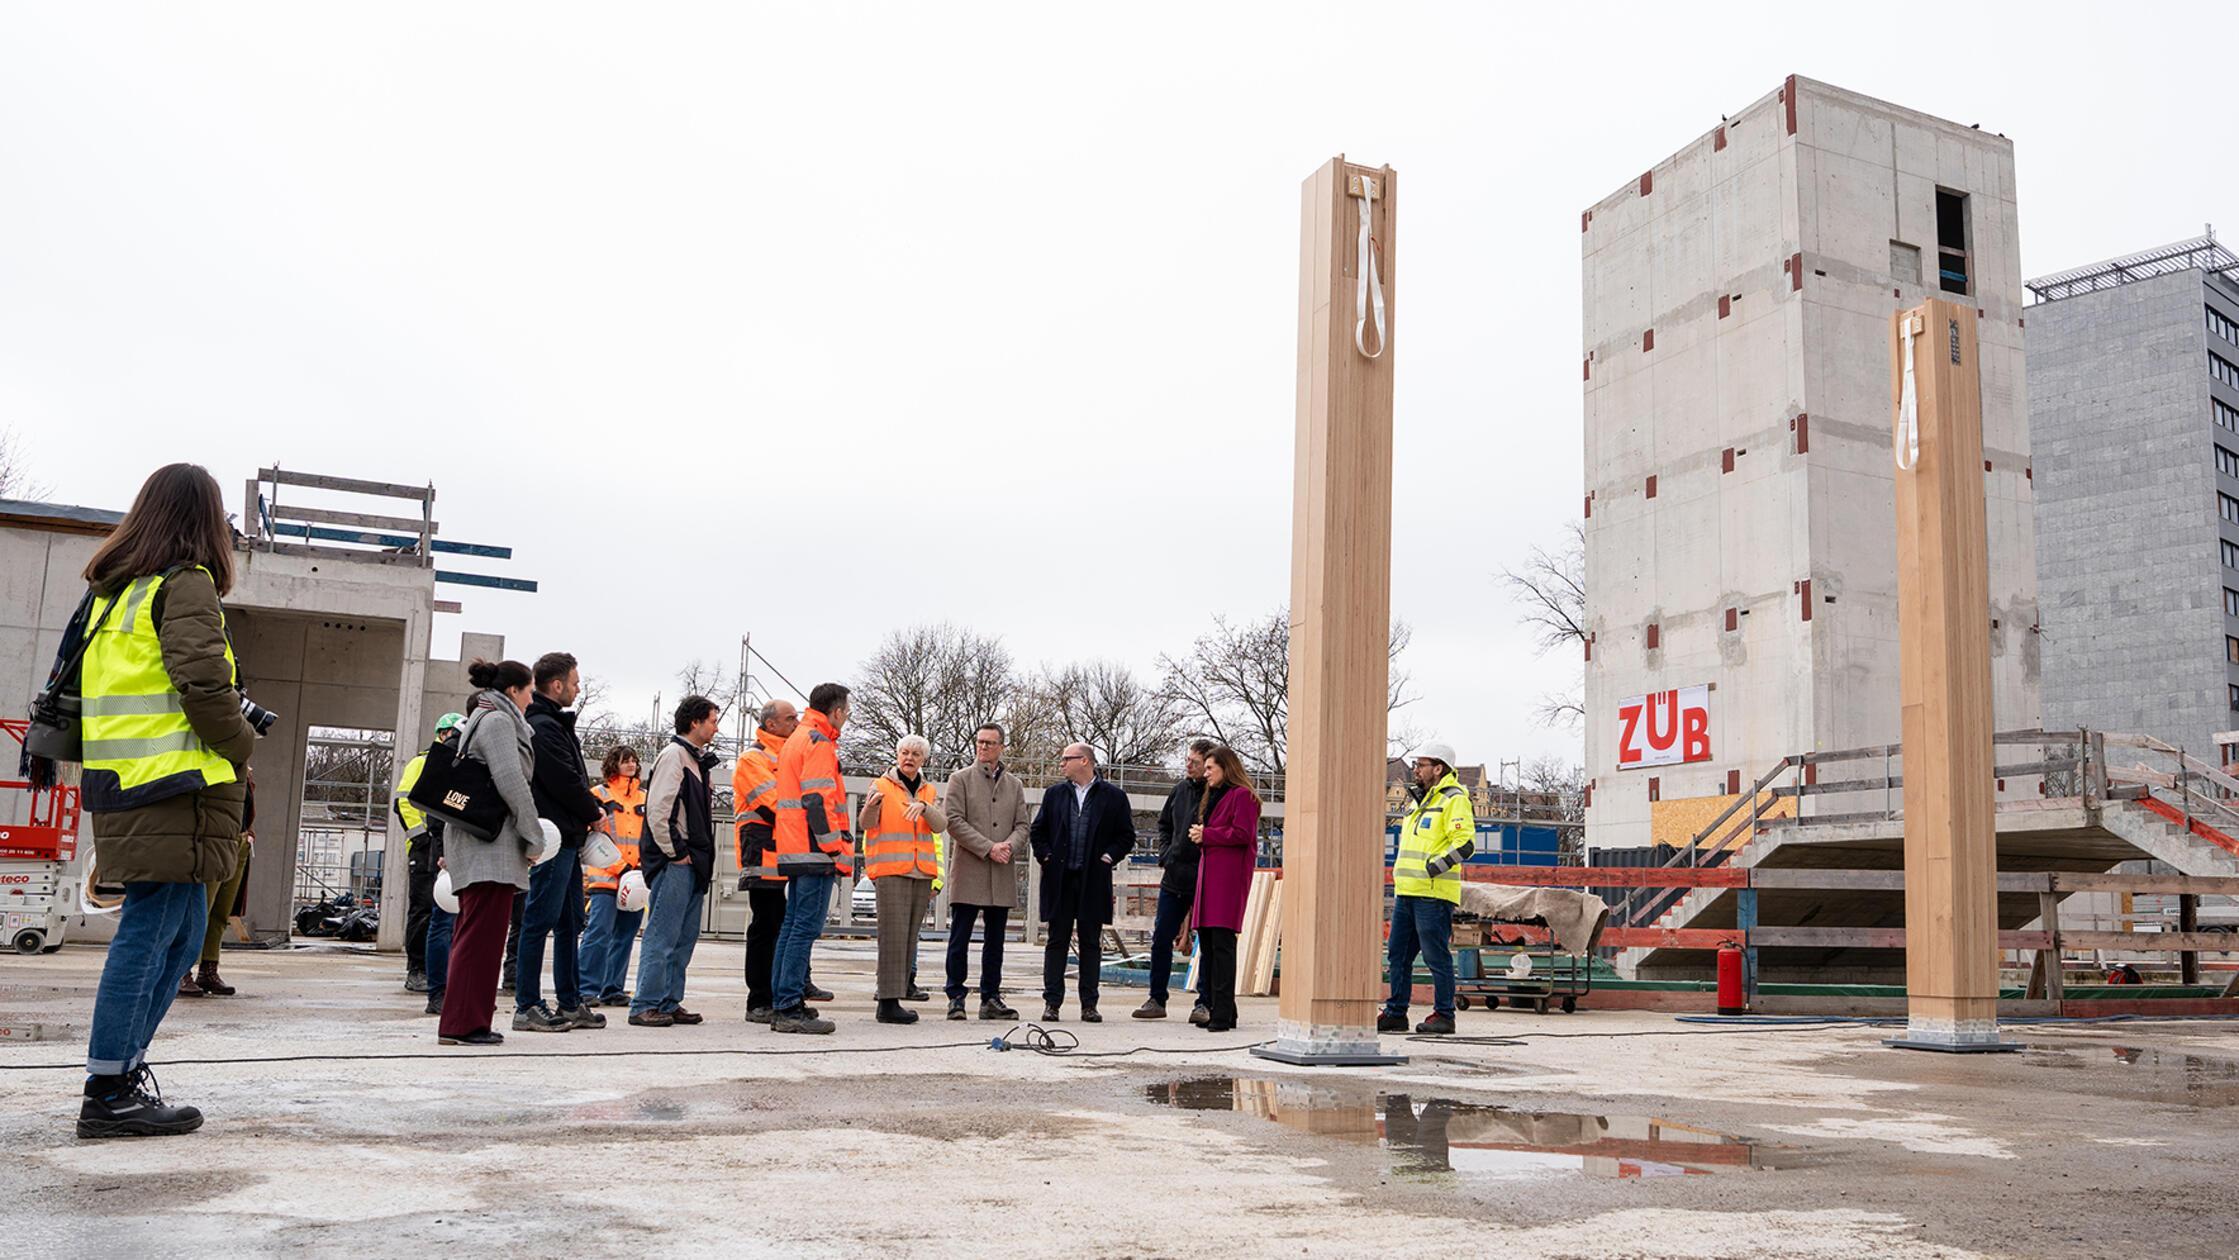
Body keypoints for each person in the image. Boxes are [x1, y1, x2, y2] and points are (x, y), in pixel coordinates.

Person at [72, 464, 260, 1138]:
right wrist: (241, 742)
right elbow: (204, 688)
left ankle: (122, 1077)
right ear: (206, 520)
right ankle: (108, 1088)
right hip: (176, 786)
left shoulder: (113, 592)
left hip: (132, 780)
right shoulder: (186, 584)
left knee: (177, 936)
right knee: (153, 934)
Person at [436, 659, 544, 1047]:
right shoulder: (498, 721)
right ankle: (463, 1024)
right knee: (480, 940)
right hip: (489, 848)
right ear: (514, 691)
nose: (532, 700)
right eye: (530, 692)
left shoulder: (485, 717)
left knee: (479, 938)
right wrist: (534, 835)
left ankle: (469, 1020)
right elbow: (510, 780)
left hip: (481, 846)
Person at [512, 651, 609, 1034]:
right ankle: (527, 1005)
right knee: (539, 919)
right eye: (575, 682)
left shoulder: (555, 723)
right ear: (557, 685)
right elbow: (564, 781)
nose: (578, 687)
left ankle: (570, 1002)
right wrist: (593, 812)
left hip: (568, 836)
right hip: (553, 838)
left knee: (570, 921)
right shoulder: (543, 725)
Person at [768, 683, 856, 1035]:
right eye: (846, 711)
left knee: (791, 929)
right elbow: (818, 801)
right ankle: (788, 1006)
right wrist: (834, 848)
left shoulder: (798, 738)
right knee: (803, 929)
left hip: (794, 847)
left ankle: (783, 1002)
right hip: (814, 851)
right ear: (835, 712)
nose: (847, 717)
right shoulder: (818, 742)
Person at [734, 699, 828, 1021]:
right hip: (764, 850)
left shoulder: (790, 754)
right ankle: (759, 999)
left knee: (787, 922)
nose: (796, 723)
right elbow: (774, 803)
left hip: (789, 849)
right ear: (770, 724)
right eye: (790, 719)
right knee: (767, 924)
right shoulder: (753, 759)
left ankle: (787, 992)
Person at [1028, 742, 1135, 1023]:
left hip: (1093, 880)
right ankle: (1052, 1003)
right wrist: (1047, 857)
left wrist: (1108, 857)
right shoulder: (1055, 795)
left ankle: (1089, 1004)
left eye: (1067, 759)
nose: (1061, 764)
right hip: (1060, 880)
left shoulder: (1113, 797)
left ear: (1085, 761)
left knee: (1090, 942)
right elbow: (1038, 831)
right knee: (1056, 941)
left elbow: (1126, 835)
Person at [630, 697, 721, 1027]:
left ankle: (668, 1000)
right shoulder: (674, 757)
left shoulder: (696, 762)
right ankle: (645, 1003)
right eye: (712, 720)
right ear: (695, 722)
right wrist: (675, 852)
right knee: (663, 936)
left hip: (693, 862)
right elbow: (658, 810)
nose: (716, 726)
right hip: (677, 863)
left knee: (683, 938)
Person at [1379, 742, 1476, 1037]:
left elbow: (1465, 844)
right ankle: (1396, 1013)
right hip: (1408, 891)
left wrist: (1433, 867)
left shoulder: (1454, 799)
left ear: (1438, 768)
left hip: (1433, 894)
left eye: (1421, 765)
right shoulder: (1417, 802)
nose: (1415, 770)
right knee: (1398, 955)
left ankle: (1444, 1015)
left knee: (1436, 957)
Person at [941, 721, 1027, 1021]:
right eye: (979, 742)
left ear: (1001, 746)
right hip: (970, 870)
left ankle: (991, 997)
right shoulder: (960, 779)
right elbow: (953, 820)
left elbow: (1022, 825)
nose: (983, 747)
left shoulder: (1014, 785)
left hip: (1001, 873)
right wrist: (988, 847)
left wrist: (1008, 846)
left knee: (995, 940)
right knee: (960, 937)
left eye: (989, 743)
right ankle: (956, 996)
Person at [859, 734, 947, 1025]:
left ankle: (898, 995)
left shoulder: (929, 790)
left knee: (909, 937)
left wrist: (925, 807)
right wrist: (871, 806)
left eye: (916, 754)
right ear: (897, 755)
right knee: (892, 936)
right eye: (905, 753)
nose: (909, 758)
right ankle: (887, 1001)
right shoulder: (881, 786)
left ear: (924, 760)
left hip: (920, 871)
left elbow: (940, 826)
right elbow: (867, 824)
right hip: (892, 870)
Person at [1136, 738, 1216, 1022]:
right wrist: (1165, 854)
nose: (1188, 766)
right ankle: (1156, 998)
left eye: (1194, 763)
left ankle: (1204, 1003)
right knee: (1161, 937)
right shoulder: (1179, 790)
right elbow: (1164, 824)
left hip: (1205, 877)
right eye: (1188, 761)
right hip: (1175, 875)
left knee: (1206, 941)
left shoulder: (1217, 792)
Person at [1188, 745, 1262, 1033]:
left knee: (1222, 946)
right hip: (1210, 881)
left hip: (1227, 882)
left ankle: (1221, 1013)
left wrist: (1207, 834)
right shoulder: (1216, 797)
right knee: (1209, 945)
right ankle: (1225, 1010)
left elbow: (1242, 834)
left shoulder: (1242, 796)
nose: (1205, 774)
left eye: (1210, 768)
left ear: (1226, 768)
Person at [398, 714, 466, 1016]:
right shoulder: (422, 762)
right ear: (443, 733)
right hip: (426, 846)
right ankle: (417, 968)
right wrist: (422, 839)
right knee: (424, 907)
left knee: (443, 909)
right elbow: (404, 802)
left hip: (440, 844)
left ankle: (437, 969)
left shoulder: (455, 761)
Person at [577, 745, 646, 1008]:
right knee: (599, 931)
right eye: (625, 761)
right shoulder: (599, 795)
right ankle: (586, 988)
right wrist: (621, 867)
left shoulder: (644, 797)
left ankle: (613, 988)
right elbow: (594, 838)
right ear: (613, 764)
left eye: (633, 760)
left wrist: (640, 868)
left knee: (626, 934)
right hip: (606, 874)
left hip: (636, 877)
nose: (630, 765)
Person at [180, 770, 254, 998]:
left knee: (222, 912)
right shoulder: (217, 764)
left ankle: (209, 969)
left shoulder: (245, 772)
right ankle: (182, 972)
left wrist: (249, 833)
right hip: (215, 842)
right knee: (200, 910)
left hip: (239, 842)